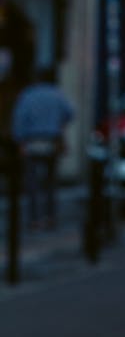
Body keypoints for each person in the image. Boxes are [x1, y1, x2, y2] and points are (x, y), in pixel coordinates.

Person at [11, 65, 74, 230]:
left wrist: (20, 142)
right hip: (51, 140)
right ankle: (50, 217)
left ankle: (34, 218)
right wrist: (58, 124)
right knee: (50, 182)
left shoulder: (28, 95)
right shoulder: (57, 95)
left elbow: (19, 120)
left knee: (32, 183)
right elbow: (69, 113)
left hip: (32, 141)